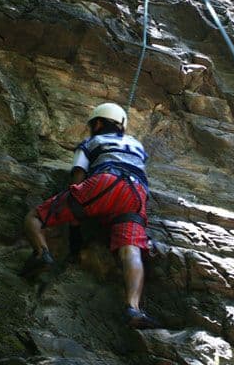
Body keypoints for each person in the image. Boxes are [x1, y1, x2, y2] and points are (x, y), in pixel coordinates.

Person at [20, 102, 159, 329]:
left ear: (98, 123)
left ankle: (41, 253)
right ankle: (133, 308)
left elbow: (78, 177)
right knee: (131, 250)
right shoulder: (136, 145)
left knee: (34, 217)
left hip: (105, 181)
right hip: (137, 193)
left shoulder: (90, 142)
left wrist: (75, 214)